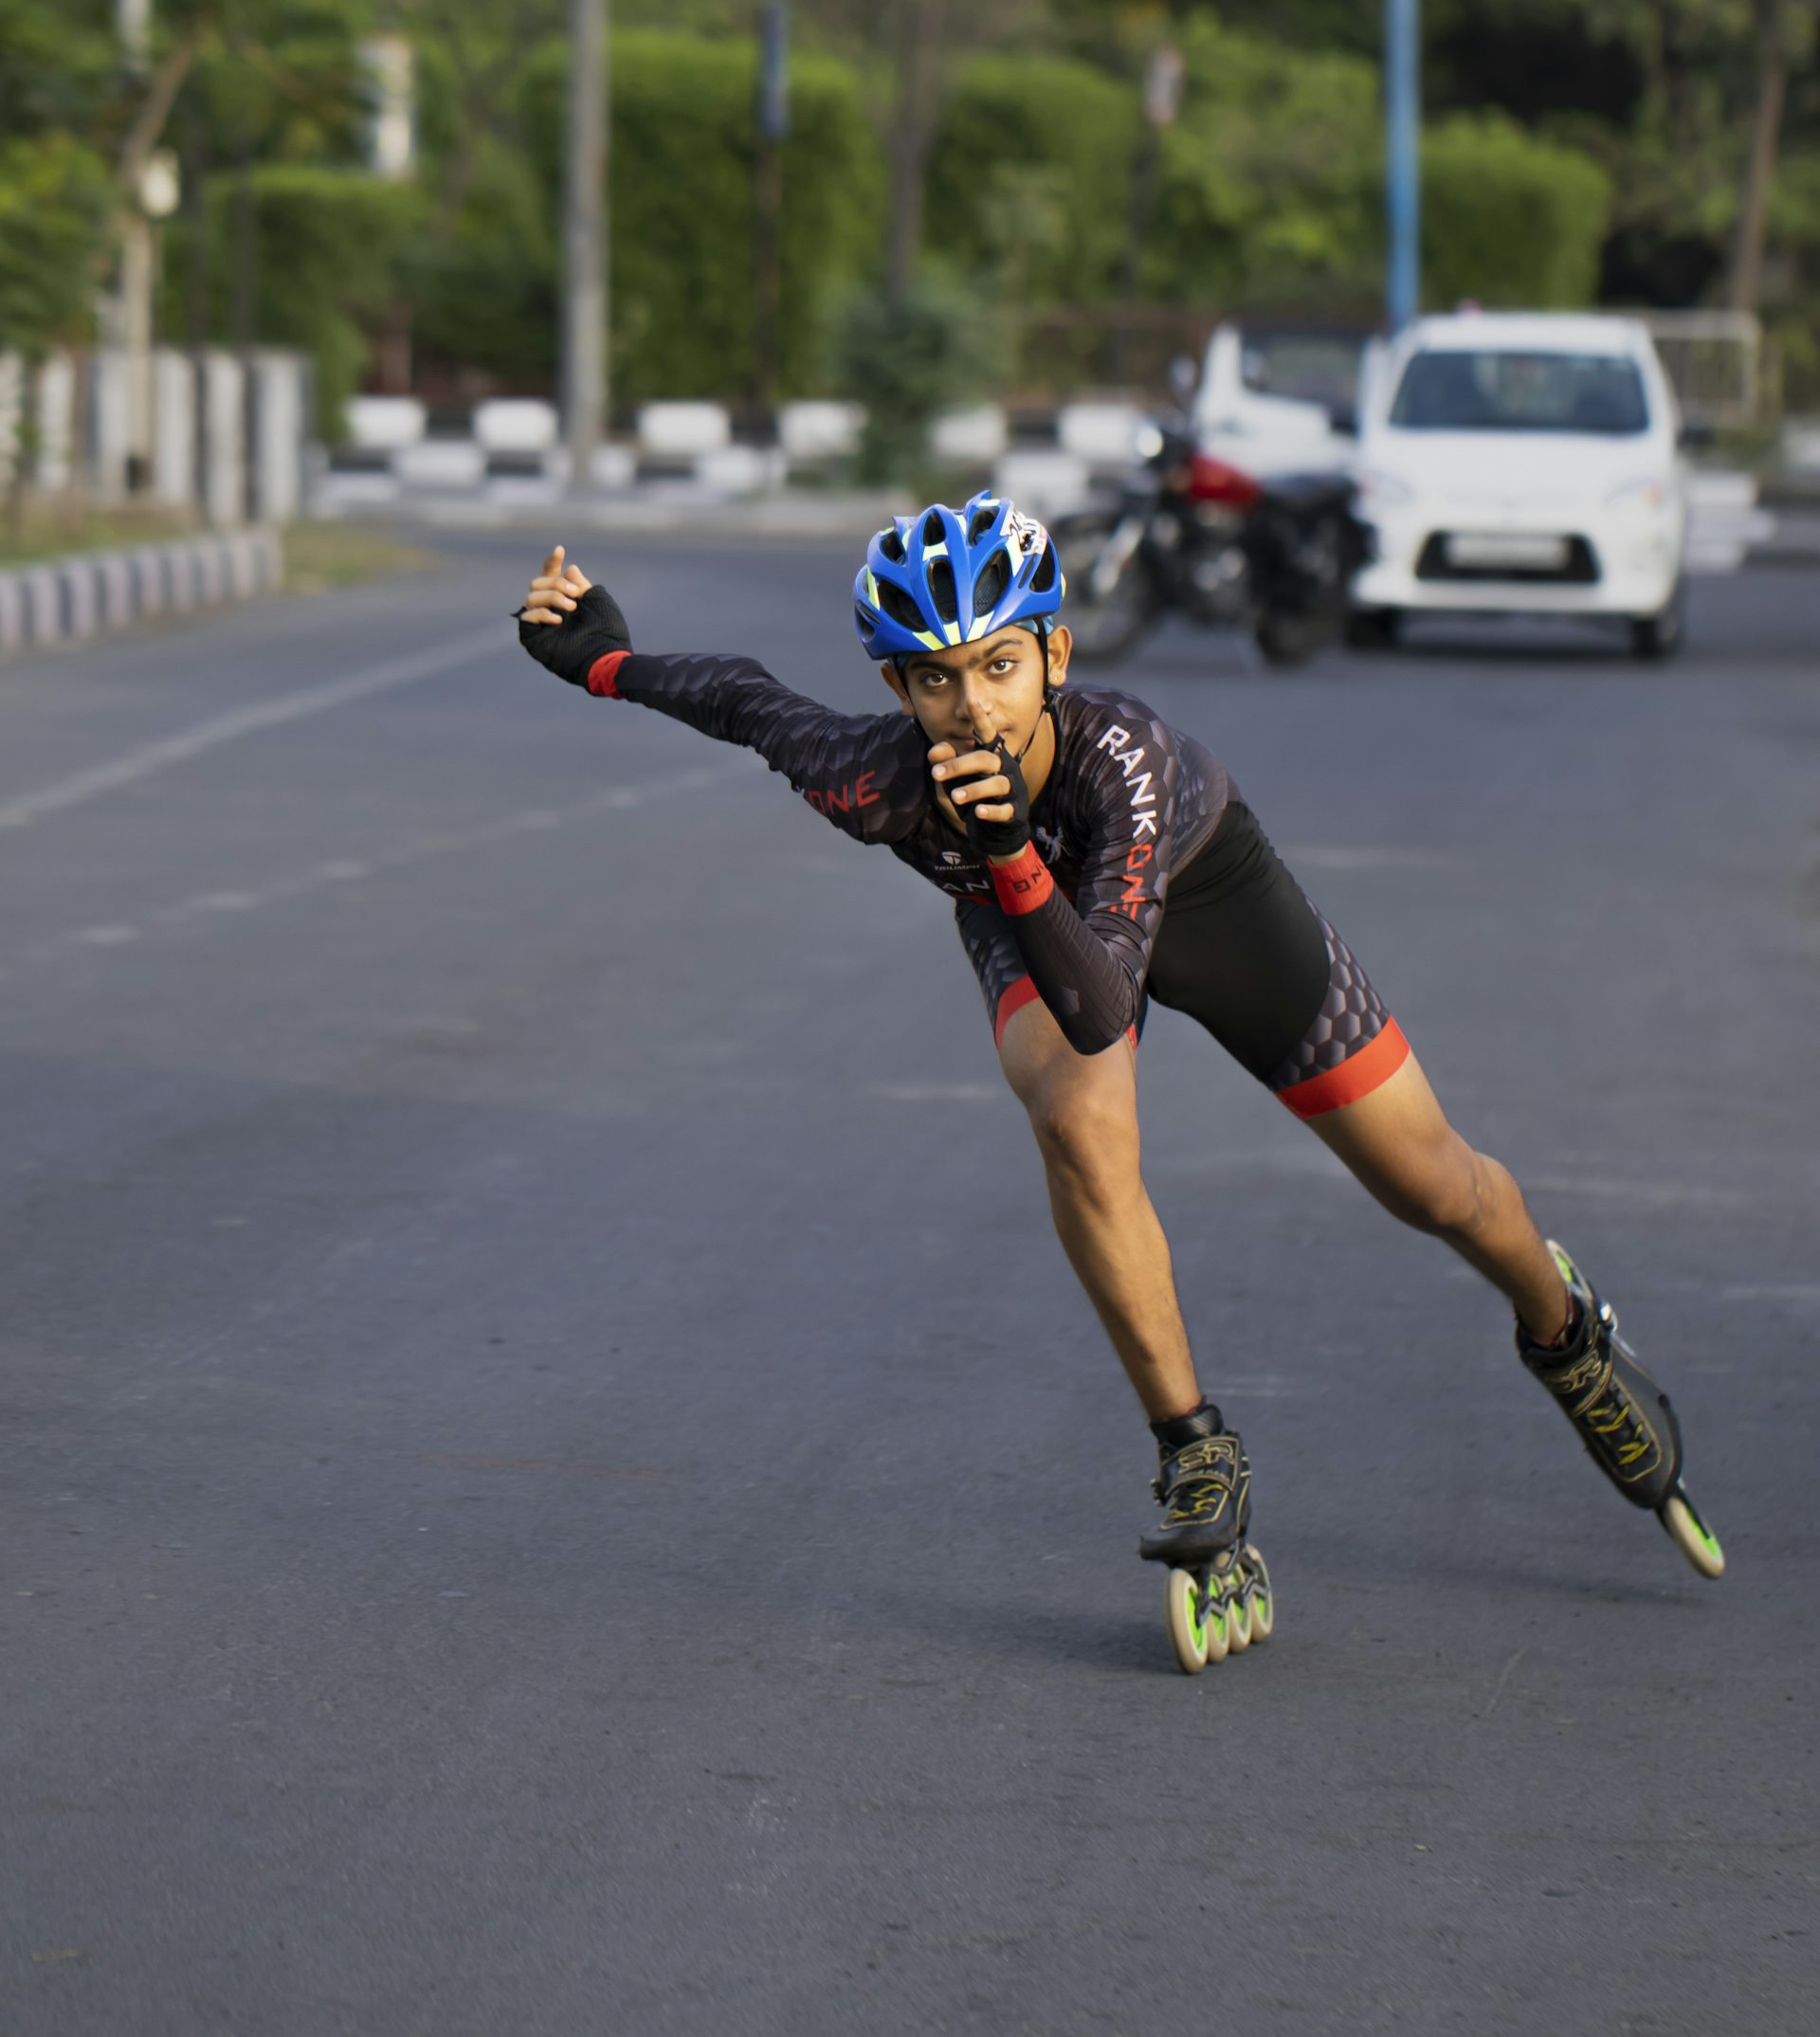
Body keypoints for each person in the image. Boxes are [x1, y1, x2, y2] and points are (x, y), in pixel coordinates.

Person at [516, 494, 1721, 1655]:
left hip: (1201, 897)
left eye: (998, 665)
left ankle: (1568, 1334)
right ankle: (1194, 1448)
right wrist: (601, 660)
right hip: (1029, 919)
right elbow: (740, 698)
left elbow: (1101, 1002)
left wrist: (1008, 847)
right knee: (1078, 1126)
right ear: (896, 690)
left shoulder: (1120, 756)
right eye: (934, 679)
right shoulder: (873, 772)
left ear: (1055, 653)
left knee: (1432, 1184)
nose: (971, 707)